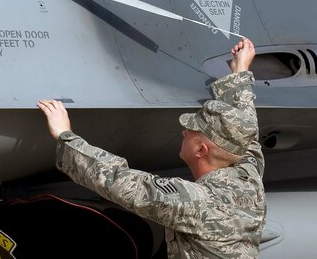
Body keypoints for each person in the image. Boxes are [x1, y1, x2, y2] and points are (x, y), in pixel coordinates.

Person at [38, 37, 266, 259]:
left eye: (191, 130)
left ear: (201, 151)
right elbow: (247, 136)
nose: (184, 132)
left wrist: (65, 136)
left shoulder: (196, 202)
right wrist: (240, 72)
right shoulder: (248, 178)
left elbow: (121, 182)